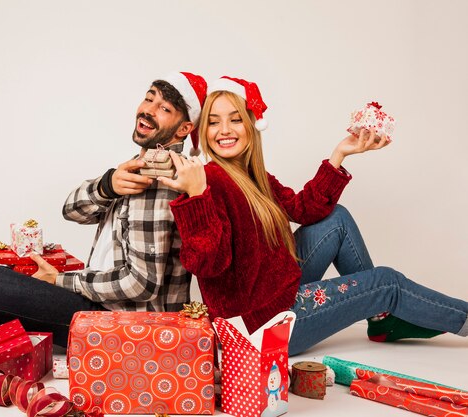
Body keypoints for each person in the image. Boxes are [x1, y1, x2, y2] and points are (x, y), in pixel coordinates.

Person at [159, 76, 468, 355]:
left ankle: (381, 320)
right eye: (213, 122)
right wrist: (197, 196)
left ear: (252, 125)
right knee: (386, 283)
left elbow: (304, 210)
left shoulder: (254, 176)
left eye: (235, 119)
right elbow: (208, 264)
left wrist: (340, 154)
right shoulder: (206, 180)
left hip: (271, 291)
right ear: (204, 131)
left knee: (337, 219)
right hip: (260, 327)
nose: (224, 130)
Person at [0, 72, 208, 347]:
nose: (148, 110)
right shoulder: (140, 166)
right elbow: (71, 211)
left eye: (164, 108)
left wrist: (61, 281)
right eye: (149, 98)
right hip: (102, 304)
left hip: (122, 323)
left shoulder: (162, 180)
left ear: (183, 129)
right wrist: (107, 186)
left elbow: (141, 284)